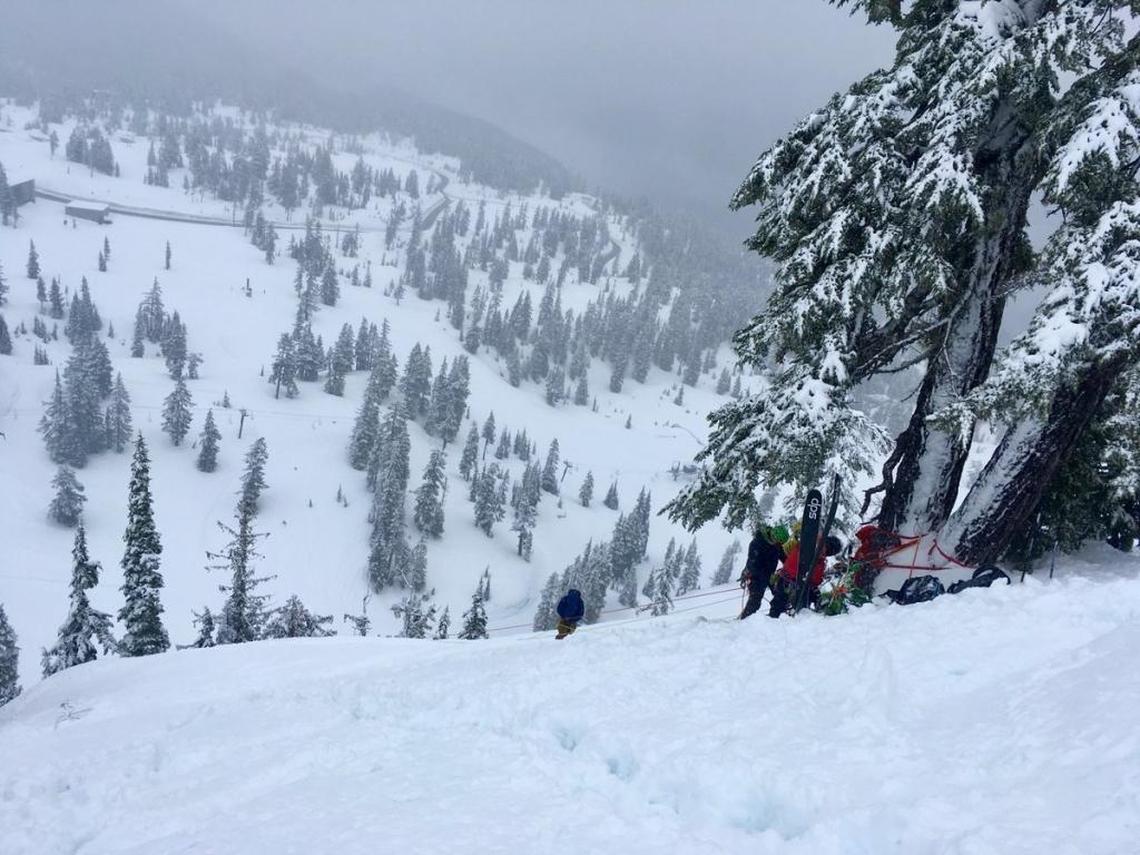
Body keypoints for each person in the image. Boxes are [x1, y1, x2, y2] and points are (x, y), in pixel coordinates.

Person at [768, 535, 843, 617]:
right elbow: (813, 576)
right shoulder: (809, 549)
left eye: (829, 553)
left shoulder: (815, 553)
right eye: (828, 550)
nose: (826, 553)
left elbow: (815, 578)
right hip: (790, 582)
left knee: (814, 596)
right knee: (779, 606)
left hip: (797, 583)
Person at [739, 524, 787, 620]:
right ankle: (744, 621)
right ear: (773, 536)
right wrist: (768, 577)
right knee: (755, 601)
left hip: (770, 575)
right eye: (778, 541)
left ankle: (776, 616)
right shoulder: (757, 543)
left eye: (780, 542)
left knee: (781, 594)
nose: (778, 543)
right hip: (756, 575)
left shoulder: (777, 545)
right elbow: (753, 565)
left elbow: (784, 558)